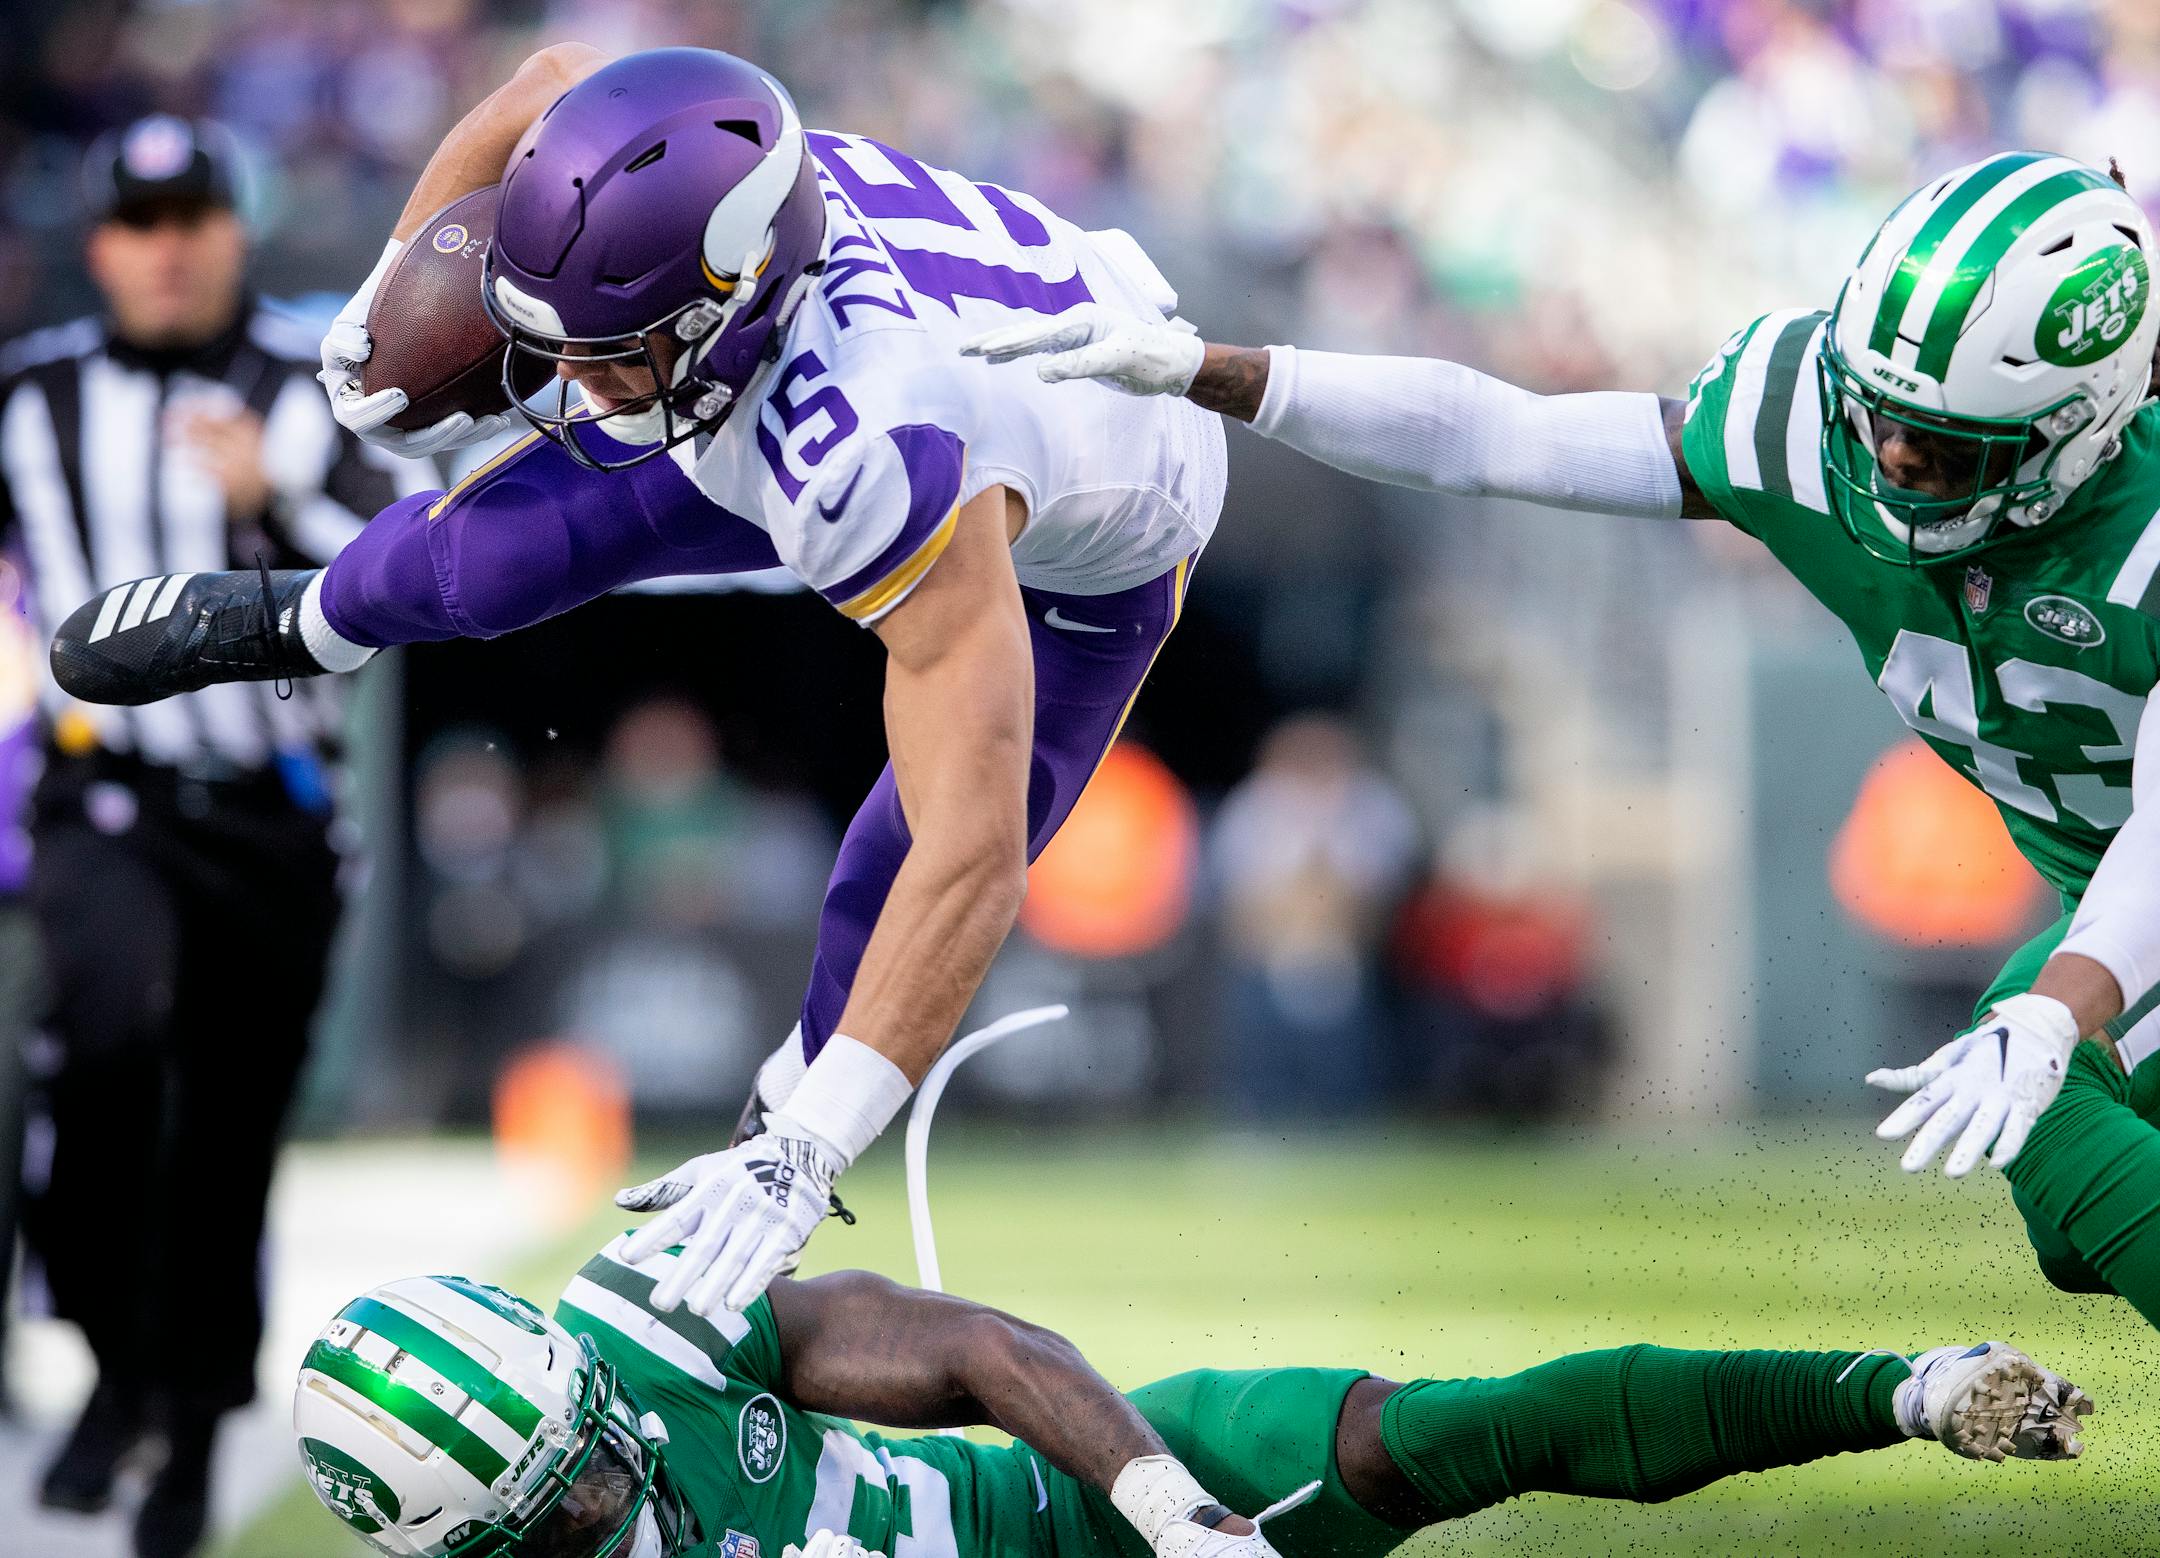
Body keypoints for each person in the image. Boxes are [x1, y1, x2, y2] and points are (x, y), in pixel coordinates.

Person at [47, 47, 1227, 1324]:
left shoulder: (869, 446)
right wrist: (395, 281)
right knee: (500, 545)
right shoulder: (688, 163)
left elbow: (973, 853)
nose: (568, 385)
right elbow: (548, 77)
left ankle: (776, 1130)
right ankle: (309, 620)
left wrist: (820, 1135)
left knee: (901, 851)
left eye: (605, 351)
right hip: (840, 357)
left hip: (1099, 532)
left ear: (724, 305)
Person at [963, 151, 2160, 1335]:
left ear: (2079, 432)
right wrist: (1213, 371)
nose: (1891, 461)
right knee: (2071, 1217)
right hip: (2098, 898)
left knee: (2048, 1102)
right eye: (1877, 413)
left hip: (2121, 900)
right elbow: (1499, 436)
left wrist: (2058, 1007)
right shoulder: (1807, 425)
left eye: (1943, 447)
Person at [0, 115, 428, 1557]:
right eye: (140, 221)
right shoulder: (32, 397)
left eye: (192, 215)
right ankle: (118, 1370)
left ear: (233, 230)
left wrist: (271, 495)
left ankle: (191, 1414)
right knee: (113, 1051)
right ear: (103, 244)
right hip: (102, 796)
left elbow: (405, 572)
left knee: (228, 1131)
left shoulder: (320, 391)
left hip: (268, 816)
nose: (169, 245)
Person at [286, 1240, 2089, 1558]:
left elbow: (983, 1351)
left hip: (1067, 1517)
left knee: (1436, 1434)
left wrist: (1164, 1504)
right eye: (558, 1527)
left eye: (586, 1466)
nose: (608, 1502)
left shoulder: (651, 1333)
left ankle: (1903, 1384)